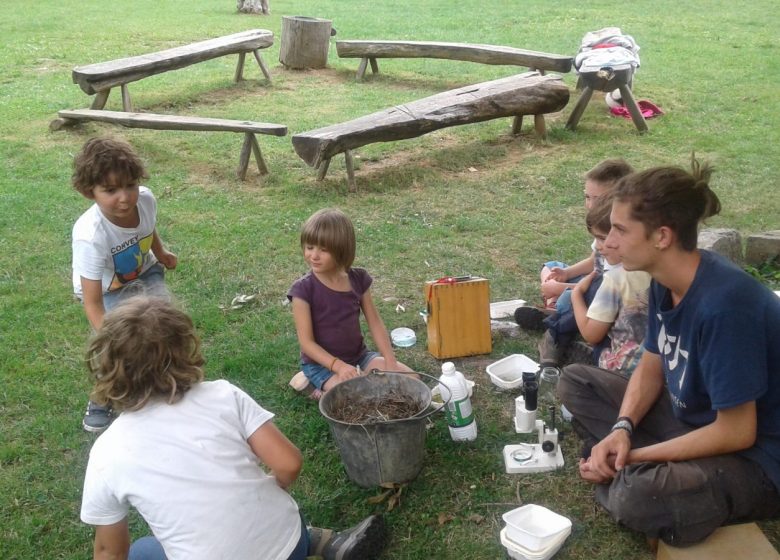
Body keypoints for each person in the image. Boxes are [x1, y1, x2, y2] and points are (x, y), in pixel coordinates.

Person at [558, 159, 780, 546]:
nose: (608, 243)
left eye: (621, 231)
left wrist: (638, 457)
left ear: (662, 236)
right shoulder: (665, 281)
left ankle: (632, 474)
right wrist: (622, 428)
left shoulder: (726, 307)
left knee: (638, 496)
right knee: (575, 381)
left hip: (757, 458)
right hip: (694, 420)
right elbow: (650, 366)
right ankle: (633, 462)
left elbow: (738, 431)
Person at [79, 297, 386, 560]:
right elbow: (289, 464)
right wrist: (266, 488)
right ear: (184, 346)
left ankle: (320, 539)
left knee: (144, 550)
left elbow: (109, 552)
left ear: (107, 367)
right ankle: (323, 540)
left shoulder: (107, 452)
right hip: (287, 543)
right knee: (273, 515)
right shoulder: (222, 394)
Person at [71, 137, 177, 432]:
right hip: (107, 289)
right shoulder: (90, 237)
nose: (125, 197)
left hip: (146, 272)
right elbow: (92, 301)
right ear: (88, 191)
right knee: (121, 347)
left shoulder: (145, 199)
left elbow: (149, 227)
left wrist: (161, 252)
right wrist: (110, 338)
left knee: (163, 326)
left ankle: (163, 380)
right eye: (110, 190)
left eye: (130, 185)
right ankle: (103, 397)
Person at [515, 159, 634, 366]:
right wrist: (567, 273)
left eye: (597, 198)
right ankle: (556, 311)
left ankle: (554, 329)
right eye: (587, 197)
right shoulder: (604, 232)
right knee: (551, 265)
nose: (589, 204)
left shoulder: (618, 240)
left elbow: (602, 285)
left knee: (569, 299)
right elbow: (593, 261)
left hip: (597, 292)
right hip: (591, 283)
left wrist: (563, 287)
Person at [288, 208, 413, 395]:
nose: (314, 255)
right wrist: (338, 367)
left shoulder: (358, 279)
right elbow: (306, 343)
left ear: (341, 250)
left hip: (359, 357)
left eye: (323, 250)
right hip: (321, 365)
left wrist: (390, 361)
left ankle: (334, 386)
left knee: (410, 380)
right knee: (361, 395)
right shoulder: (303, 290)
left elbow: (375, 323)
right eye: (309, 247)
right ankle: (313, 387)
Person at [568, 194, 650, 376]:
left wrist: (576, 295)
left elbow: (591, 334)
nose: (597, 246)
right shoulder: (659, 270)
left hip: (620, 372)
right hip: (657, 369)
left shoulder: (616, 279)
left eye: (601, 238)